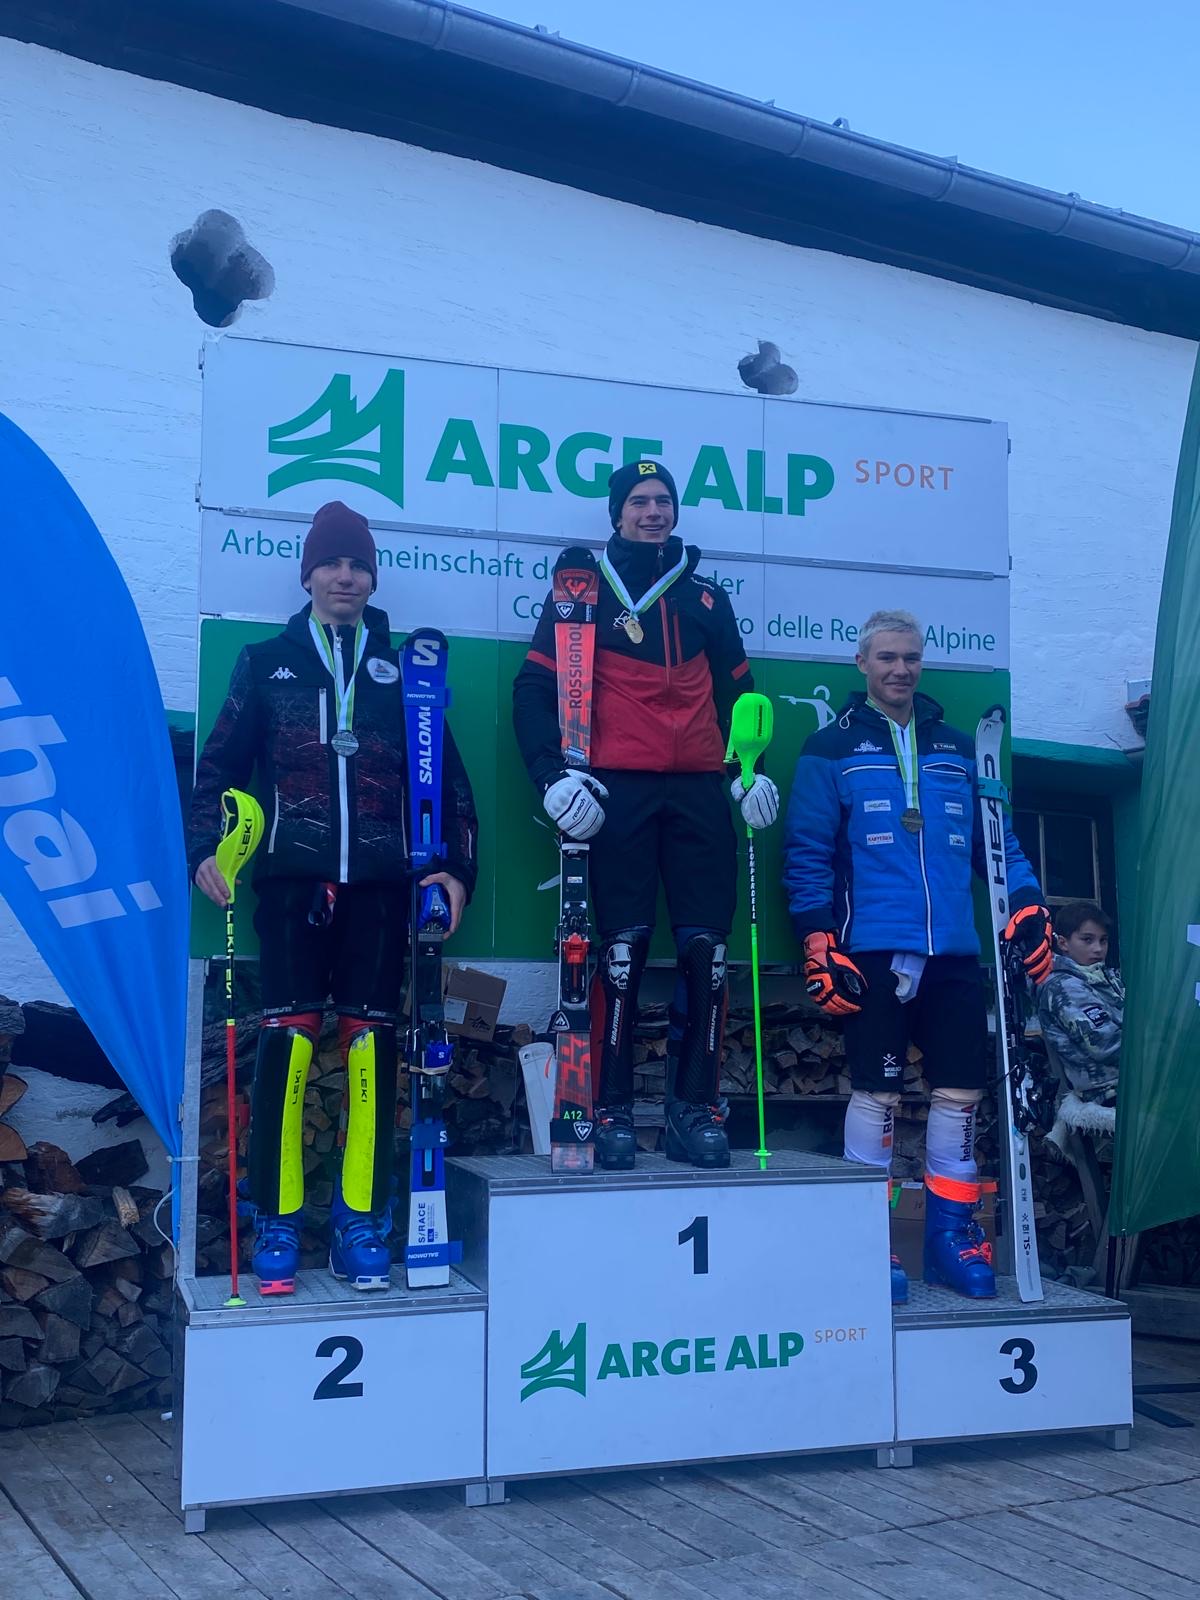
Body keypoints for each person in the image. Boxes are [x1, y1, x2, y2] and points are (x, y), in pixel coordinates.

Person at [189, 501, 477, 1295]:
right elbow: (217, 768)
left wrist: (456, 870)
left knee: (369, 1051)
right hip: (290, 885)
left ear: (372, 578)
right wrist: (203, 849)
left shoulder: (406, 672)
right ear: (308, 574)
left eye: (358, 565)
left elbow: (448, 783)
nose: (345, 577)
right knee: (285, 1046)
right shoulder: (266, 661)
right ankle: (278, 1222)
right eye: (331, 564)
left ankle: (360, 1222)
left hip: (382, 891)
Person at [513, 460, 779, 1170]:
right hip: (617, 788)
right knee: (622, 953)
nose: (653, 512)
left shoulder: (707, 598)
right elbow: (533, 690)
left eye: (663, 501)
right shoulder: (582, 593)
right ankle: (611, 1107)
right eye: (639, 502)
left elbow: (739, 699)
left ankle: (695, 1110)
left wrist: (747, 773)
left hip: (697, 789)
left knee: (708, 953)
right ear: (617, 513)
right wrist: (549, 777)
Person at [782, 609, 1052, 1302]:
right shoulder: (829, 747)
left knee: (960, 1093)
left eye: (911, 658)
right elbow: (807, 851)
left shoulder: (959, 749)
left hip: (956, 951)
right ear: (862, 664)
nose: (901, 669)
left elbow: (1000, 845)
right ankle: (866, 1237)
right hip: (872, 949)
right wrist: (817, 936)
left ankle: (951, 1238)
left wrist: (1026, 902)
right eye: (887, 658)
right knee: (877, 1091)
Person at [1038, 900, 1122, 1107]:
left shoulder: (1104, 976)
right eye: (1087, 940)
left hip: (1132, 1083)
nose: (1098, 949)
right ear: (1063, 943)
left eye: (1103, 940)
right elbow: (1106, 1045)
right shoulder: (1064, 987)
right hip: (1106, 1095)